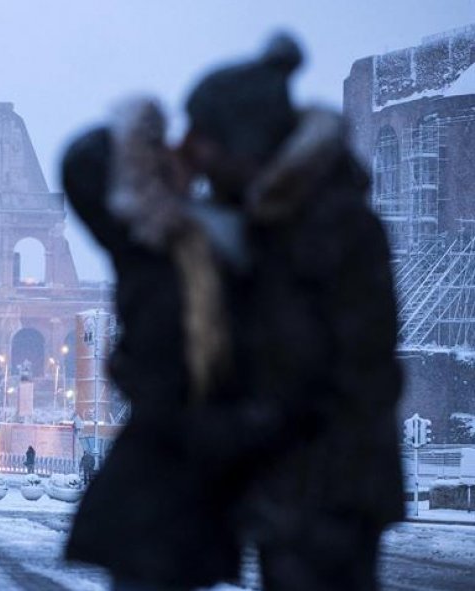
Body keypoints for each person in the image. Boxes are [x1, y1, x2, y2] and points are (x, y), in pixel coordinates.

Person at [178, 34, 403, 591]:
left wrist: (255, 417)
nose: (193, 152)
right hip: (294, 481)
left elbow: (359, 367)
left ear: (244, 139)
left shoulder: (329, 227)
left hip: (331, 485)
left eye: (205, 138)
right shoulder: (265, 222)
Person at [62, 95, 244, 591]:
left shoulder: (193, 245)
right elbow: (82, 165)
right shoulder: (155, 246)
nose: (178, 151)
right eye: (162, 150)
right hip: (164, 486)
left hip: (179, 483)